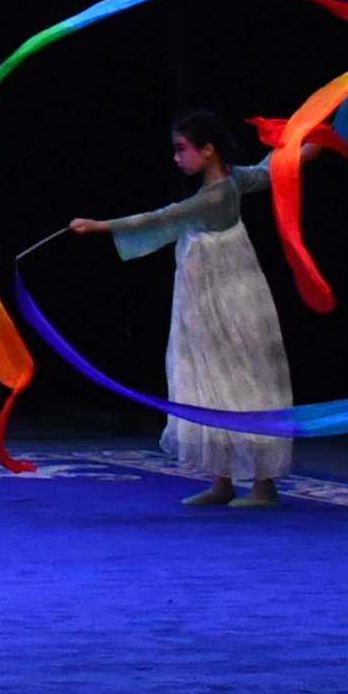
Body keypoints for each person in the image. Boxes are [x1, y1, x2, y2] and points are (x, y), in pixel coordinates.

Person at [68, 110, 293, 507]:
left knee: (244, 379)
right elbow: (269, 168)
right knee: (210, 376)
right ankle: (222, 481)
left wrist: (100, 225)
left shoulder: (219, 193)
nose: (176, 157)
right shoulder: (231, 182)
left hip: (231, 295)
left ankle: (263, 486)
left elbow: (163, 217)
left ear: (207, 151)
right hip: (203, 298)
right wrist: (304, 145)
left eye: (182, 149)